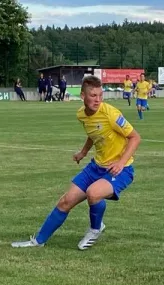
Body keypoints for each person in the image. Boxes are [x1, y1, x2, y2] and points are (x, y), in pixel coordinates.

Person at [11, 75, 142, 250]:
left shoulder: (111, 113)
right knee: (66, 200)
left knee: (93, 193)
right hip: (96, 166)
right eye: (93, 95)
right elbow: (93, 133)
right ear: (83, 96)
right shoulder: (81, 114)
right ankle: (38, 241)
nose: (98, 100)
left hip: (120, 169)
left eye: (100, 95)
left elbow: (135, 137)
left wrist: (120, 163)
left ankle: (96, 229)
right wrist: (83, 152)